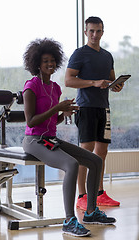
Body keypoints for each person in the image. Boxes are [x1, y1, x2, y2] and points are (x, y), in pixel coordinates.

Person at [22, 38, 116, 237]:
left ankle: (90, 212)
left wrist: (63, 114)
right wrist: (57, 108)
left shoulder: (55, 88)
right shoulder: (31, 86)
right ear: (37, 63)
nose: (50, 64)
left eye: (53, 61)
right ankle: (69, 220)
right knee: (72, 164)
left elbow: (51, 122)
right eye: (46, 61)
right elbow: (31, 122)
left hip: (50, 138)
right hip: (34, 140)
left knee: (96, 160)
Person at [65, 16, 123, 210]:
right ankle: (82, 196)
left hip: (103, 108)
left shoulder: (107, 56)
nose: (95, 35)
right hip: (86, 108)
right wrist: (93, 82)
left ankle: (99, 193)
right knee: (85, 152)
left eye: (98, 31)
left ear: (102, 32)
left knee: (102, 153)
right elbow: (68, 80)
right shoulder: (79, 54)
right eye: (91, 31)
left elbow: (111, 80)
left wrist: (116, 86)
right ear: (85, 32)